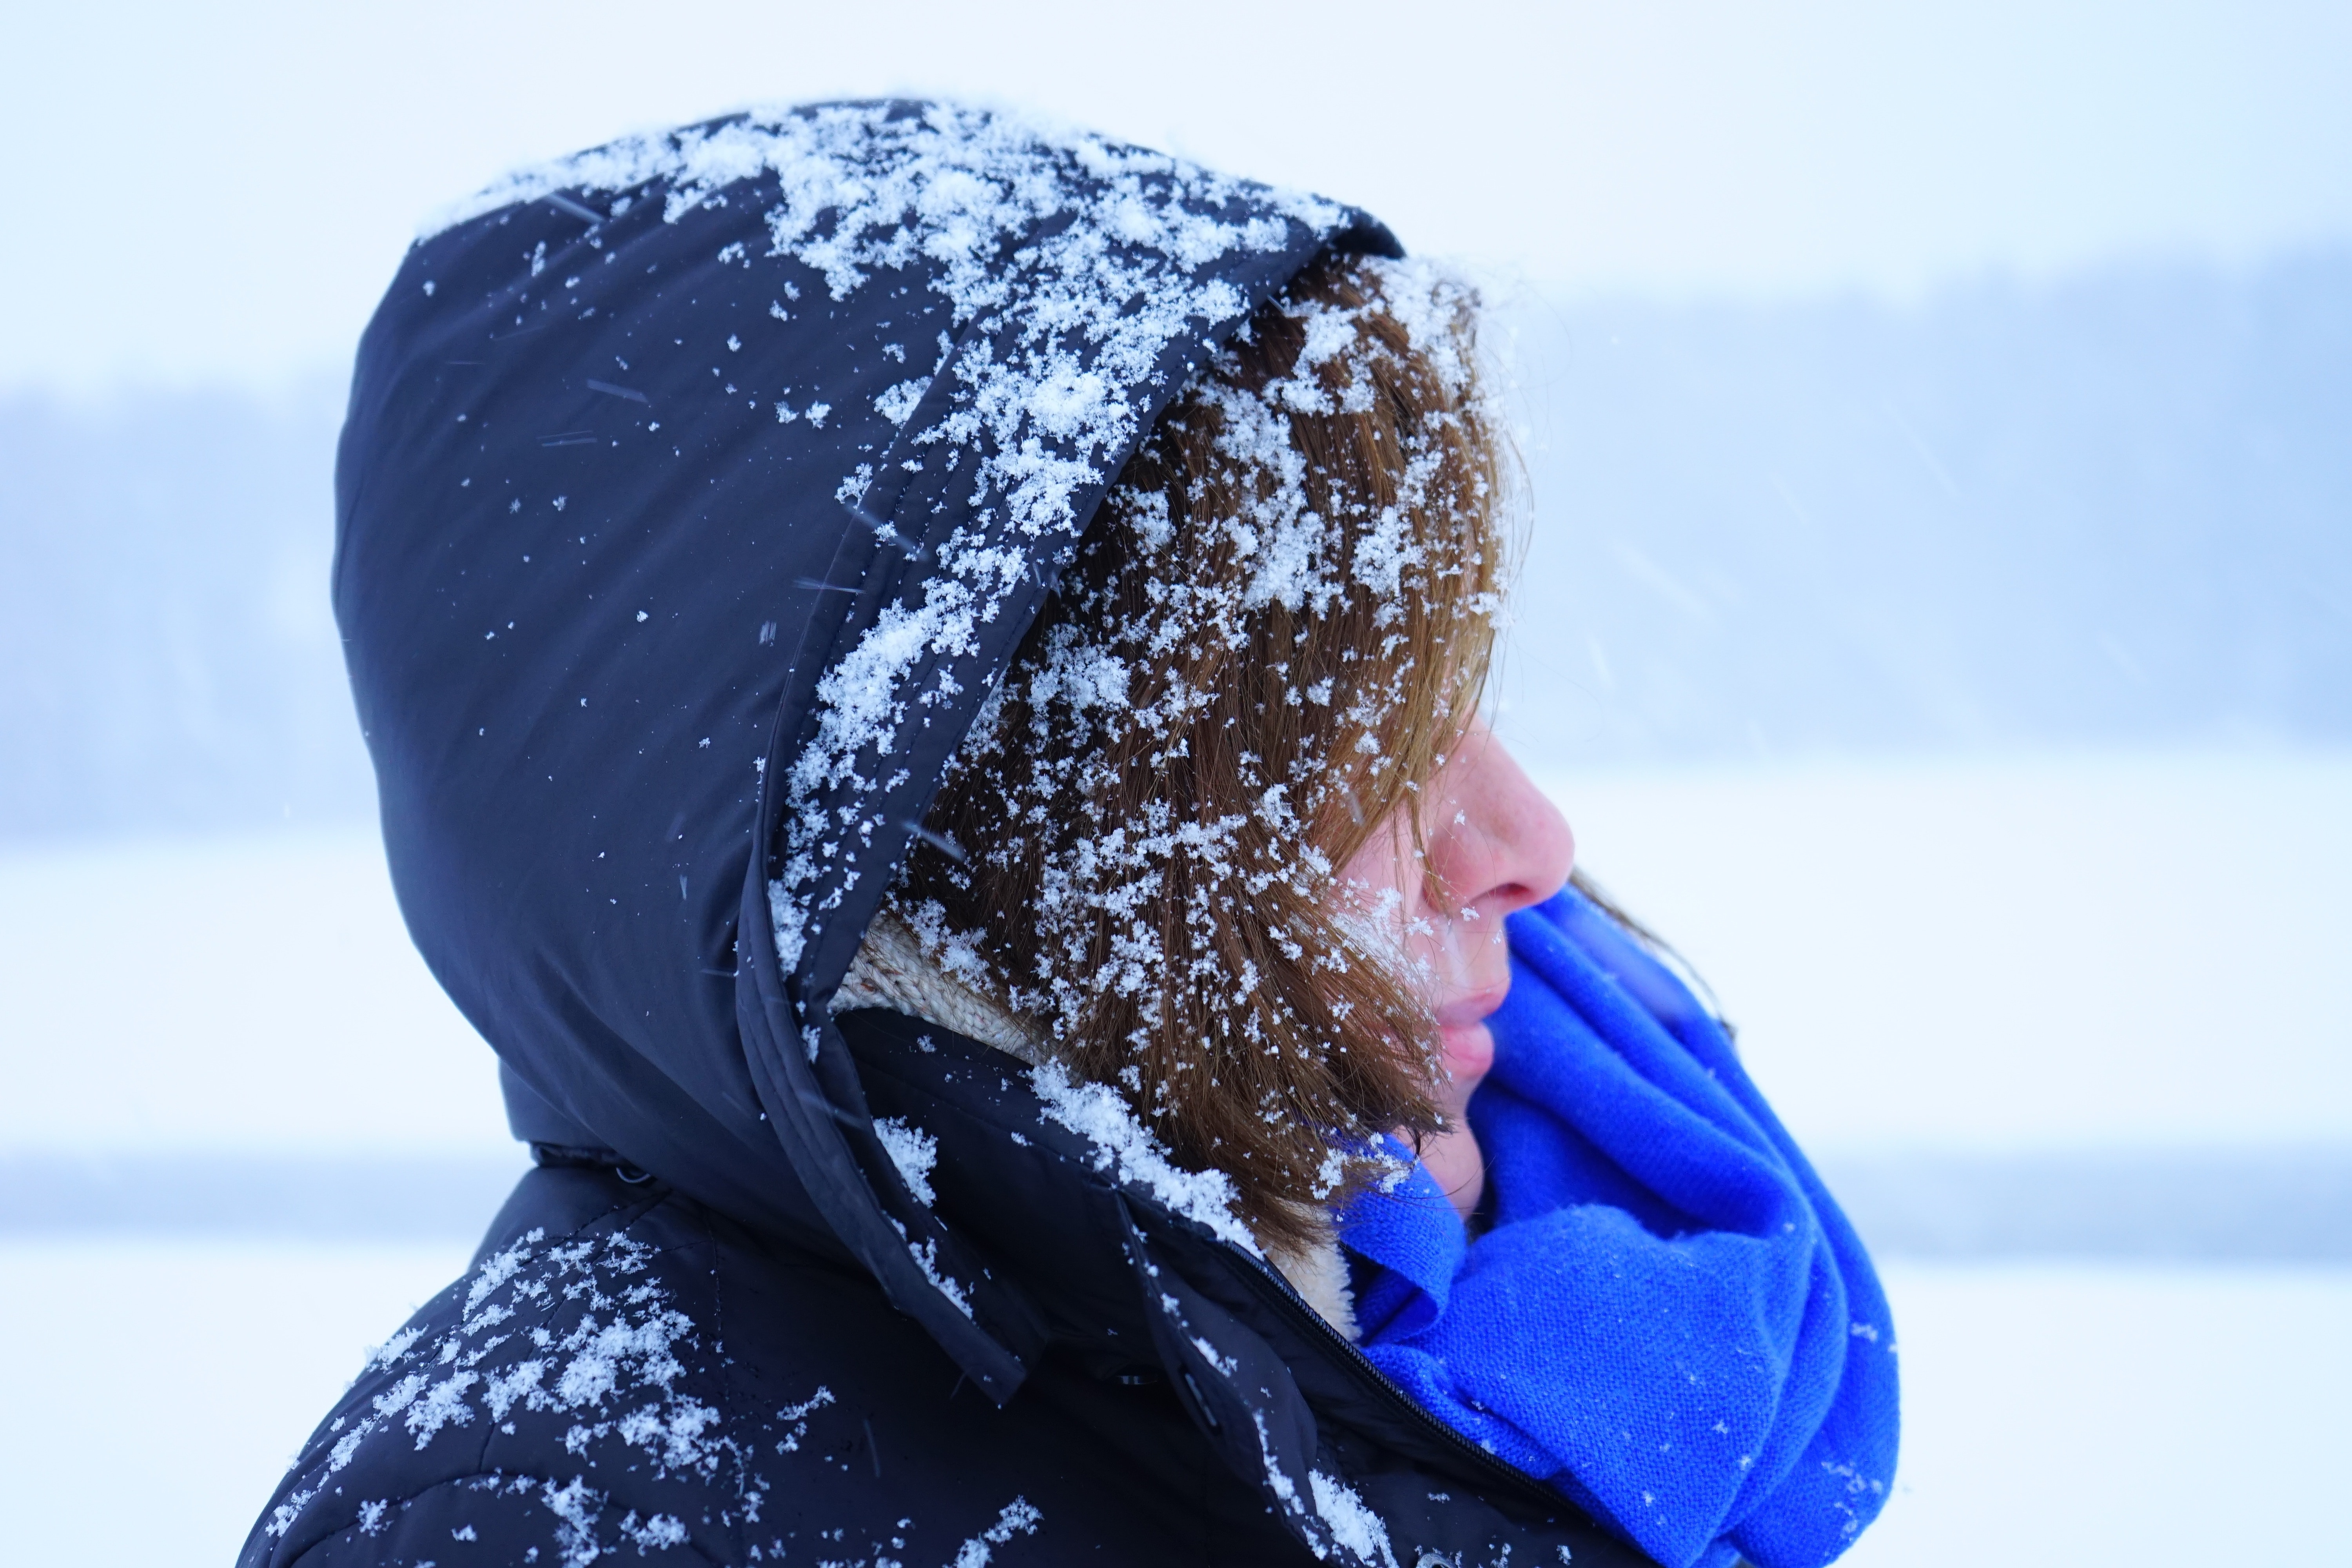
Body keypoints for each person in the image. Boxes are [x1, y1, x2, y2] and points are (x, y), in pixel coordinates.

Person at [243, 102, 1895, 1568]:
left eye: (1460, 696)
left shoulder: (1573, 1290)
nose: (1528, 841)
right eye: (1360, 749)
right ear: (1001, 851)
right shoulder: (561, 1522)